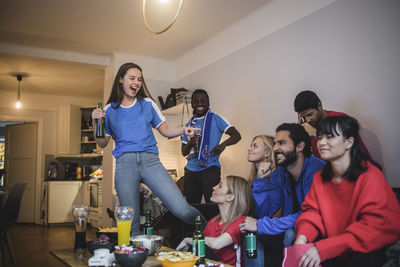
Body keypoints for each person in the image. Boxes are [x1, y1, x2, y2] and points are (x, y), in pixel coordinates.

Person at [91, 62, 205, 235]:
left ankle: (214, 232)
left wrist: (183, 129)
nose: (136, 82)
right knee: (131, 223)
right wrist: (95, 122)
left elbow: (165, 130)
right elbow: (102, 142)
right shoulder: (109, 110)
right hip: (125, 165)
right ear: (121, 79)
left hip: (150, 162)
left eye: (139, 79)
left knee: (182, 209)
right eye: (132, 78)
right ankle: (135, 259)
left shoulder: (147, 104)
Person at [294, 115, 400, 267]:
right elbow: (312, 213)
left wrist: (324, 249)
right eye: (319, 137)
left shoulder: (370, 176)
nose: (322, 143)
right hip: (336, 245)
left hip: (366, 248)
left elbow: (371, 228)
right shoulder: (320, 178)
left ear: (349, 142)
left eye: (329, 137)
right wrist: (302, 237)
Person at [239, 123, 325, 266]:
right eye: (275, 144)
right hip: (290, 227)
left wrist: (261, 224)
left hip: (315, 228)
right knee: (249, 232)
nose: (276, 148)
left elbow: (309, 214)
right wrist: (260, 182)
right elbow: (266, 212)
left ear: (300, 146)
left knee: (289, 234)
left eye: (282, 143)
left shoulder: (317, 170)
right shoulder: (280, 173)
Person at [176, 175, 252, 267]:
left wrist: (187, 240)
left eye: (220, 186)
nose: (214, 187)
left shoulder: (240, 221)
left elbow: (216, 244)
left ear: (230, 197)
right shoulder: (212, 222)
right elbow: (202, 247)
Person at [181, 89, 241, 203]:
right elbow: (184, 152)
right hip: (190, 171)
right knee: (192, 207)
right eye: (196, 101)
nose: (199, 104)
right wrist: (190, 143)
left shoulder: (216, 118)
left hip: (210, 169)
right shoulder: (188, 125)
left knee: (213, 205)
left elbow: (237, 135)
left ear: (208, 103)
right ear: (192, 104)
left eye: (203, 101)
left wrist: (223, 145)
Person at [294, 90, 370, 158]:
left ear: (319, 105)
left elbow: (353, 152)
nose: (307, 120)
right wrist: (299, 134)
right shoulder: (307, 127)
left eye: (310, 114)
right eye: (304, 117)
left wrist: (316, 133)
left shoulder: (340, 119)